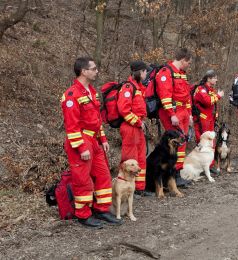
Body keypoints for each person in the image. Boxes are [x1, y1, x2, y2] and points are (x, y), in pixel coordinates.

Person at [61, 57, 122, 227]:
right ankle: (83, 214)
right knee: (83, 180)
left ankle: (101, 210)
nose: (97, 71)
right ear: (83, 71)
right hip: (81, 141)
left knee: (103, 175)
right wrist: (81, 147)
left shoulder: (92, 92)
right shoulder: (72, 95)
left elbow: (95, 119)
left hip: (94, 140)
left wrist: (102, 139)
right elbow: (71, 126)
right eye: (94, 68)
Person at [155, 48, 193, 187]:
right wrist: (172, 115)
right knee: (175, 143)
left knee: (182, 143)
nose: (189, 65)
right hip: (173, 112)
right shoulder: (166, 73)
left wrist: (189, 114)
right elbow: (165, 97)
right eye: (188, 62)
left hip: (183, 111)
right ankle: (171, 176)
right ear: (183, 60)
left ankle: (177, 173)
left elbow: (187, 95)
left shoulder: (182, 74)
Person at [117, 61, 150, 196]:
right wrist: (137, 122)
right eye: (145, 71)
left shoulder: (139, 87)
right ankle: (126, 188)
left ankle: (139, 188)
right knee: (130, 159)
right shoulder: (128, 87)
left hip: (137, 127)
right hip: (130, 127)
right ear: (139, 72)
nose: (146, 74)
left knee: (140, 158)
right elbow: (123, 110)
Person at [192, 69, 224, 143]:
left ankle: (210, 154)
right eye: (215, 78)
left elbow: (213, 102)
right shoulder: (201, 89)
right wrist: (218, 95)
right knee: (203, 140)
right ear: (209, 79)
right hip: (202, 118)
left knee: (211, 140)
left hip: (210, 118)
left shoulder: (210, 90)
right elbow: (208, 101)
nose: (217, 80)